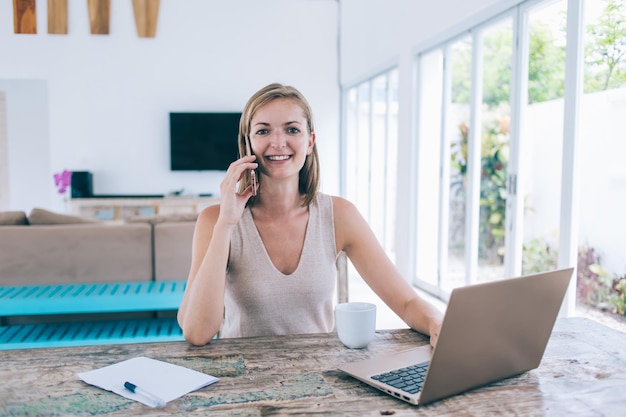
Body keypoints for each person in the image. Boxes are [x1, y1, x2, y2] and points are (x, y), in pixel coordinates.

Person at [177, 83, 443, 347]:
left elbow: (406, 302)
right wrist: (227, 223)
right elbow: (197, 332)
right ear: (248, 142)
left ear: (310, 141)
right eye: (263, 131)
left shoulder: (339, 215)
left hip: (322, 375)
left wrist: (437, 323)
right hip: (244, 378)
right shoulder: (214, 220)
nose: (278, 142)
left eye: (292, 129)